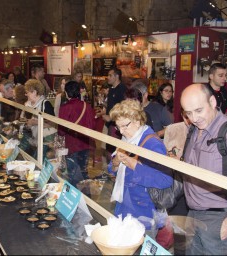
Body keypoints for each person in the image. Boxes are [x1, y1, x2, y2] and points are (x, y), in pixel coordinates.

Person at [180, 83, 227, 255]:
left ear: (212, 102)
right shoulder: (194, 130)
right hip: (193, 215)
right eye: (188, 113)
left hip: (220, 218)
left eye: (199, 110)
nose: (194, 118)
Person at [107, 99, 173, 236]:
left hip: (144, 212)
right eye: (118, 127)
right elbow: (111, 169)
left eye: (124, 126)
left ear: (137, 120)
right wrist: (115, 163)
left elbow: (165, 180)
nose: (121, 131)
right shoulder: (127, 140)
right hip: (125, 205)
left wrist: (134, 165)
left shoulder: (152, 143)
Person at [58, 81, 95, 182]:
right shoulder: (86, 106)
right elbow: (92, 125)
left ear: (66, 93)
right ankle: (86, 196)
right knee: (84, 174)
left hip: (72, 145)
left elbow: (61, 131)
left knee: (73, 176)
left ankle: (73, 196)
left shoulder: (65, 107)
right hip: (86, 144)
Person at [96, 67, 126, 161]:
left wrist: (111, 117)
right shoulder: (111, 89)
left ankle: (114, 171)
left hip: (117, 126)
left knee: (113, 149)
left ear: (116, 76)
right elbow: (112, 106)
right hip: (109, 125)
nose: (107, 77)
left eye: (110, 75)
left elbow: (124, 110)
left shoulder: (122, 89)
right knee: (107, 147)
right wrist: (104, 107)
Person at [23, 79, 56, 152]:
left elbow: (52, 123)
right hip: (34, 140)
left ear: (34, 92)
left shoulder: (46, 104)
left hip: (46, 141)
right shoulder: (27, 104)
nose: (26, 94)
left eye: (27, 92)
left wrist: (35, 122)